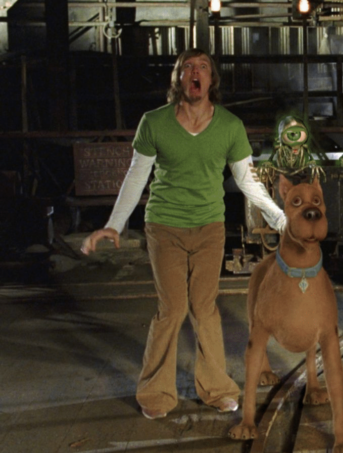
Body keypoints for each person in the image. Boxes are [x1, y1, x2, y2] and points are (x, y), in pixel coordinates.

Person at [80, 48, 286, 420]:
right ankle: (156, 394)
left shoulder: (229, 126)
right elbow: (136, 177)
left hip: (209, 228)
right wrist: (114, 223)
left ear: (211, 79)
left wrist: (280, 218)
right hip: (164, 226)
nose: (195, 72)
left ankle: (218, 389)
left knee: (205, 308)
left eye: (202, 67)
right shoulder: (154, 122)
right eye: (187, 66)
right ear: (178, 78)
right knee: (172, 309)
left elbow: (247, 182)